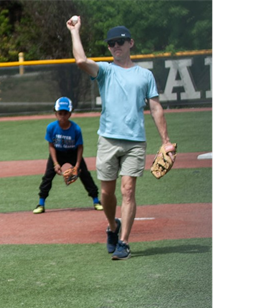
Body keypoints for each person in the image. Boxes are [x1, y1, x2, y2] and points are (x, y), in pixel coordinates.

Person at [68, 19, 173, 260]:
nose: (115, 46)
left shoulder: (144, 75)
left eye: (120, 42)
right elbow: (81, 61)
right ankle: (112, 227)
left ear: (130, 43)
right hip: (108, 140)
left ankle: (124, 242)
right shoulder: (105, 70)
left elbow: (156, 108)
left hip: (135, 142)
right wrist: (75, 31)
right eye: (111, 43)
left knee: (128, 190)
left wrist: (166, 141)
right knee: (107, 193)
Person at [33, 96, 102, 214]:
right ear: (55, 113)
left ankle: (96, 200)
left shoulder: (76, 129)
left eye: (65, 113)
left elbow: (80, 147)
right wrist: (55, 163)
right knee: (47, 177)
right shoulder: (51, 127)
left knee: (85, 175)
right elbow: (51, 146)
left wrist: (77, 165)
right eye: (60, 113)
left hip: (73, 153)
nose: (63, 116)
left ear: (70, 114)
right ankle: (41, 203)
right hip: (57, 153)